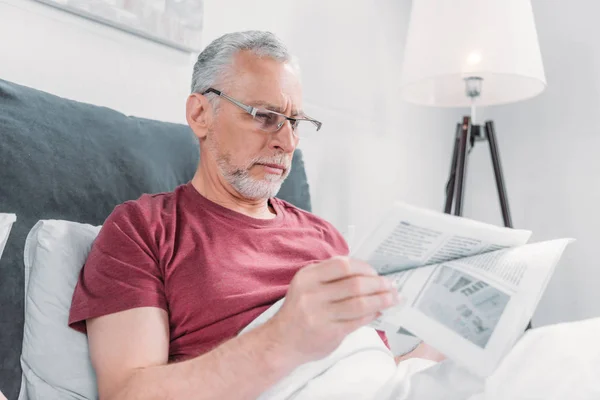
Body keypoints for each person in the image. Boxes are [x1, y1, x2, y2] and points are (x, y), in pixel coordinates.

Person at [68, 30, 442, 400]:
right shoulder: (144, 229)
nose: (288, 141)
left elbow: (373, 370)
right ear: (200, 114)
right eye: (265, 116)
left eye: (295, 122)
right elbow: (127, 393)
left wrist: (438, 348)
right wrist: (283, 338)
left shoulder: (325, 236)